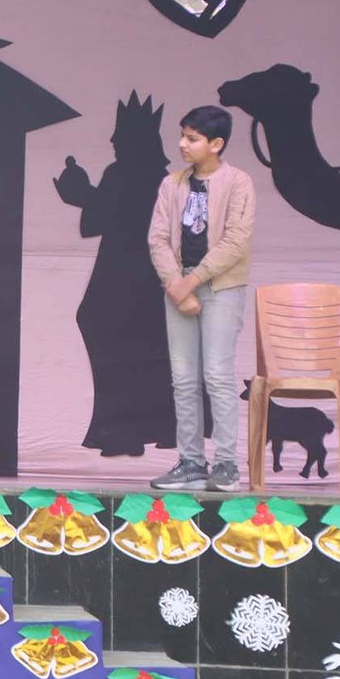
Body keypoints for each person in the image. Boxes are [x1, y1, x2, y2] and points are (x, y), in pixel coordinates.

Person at [147, 105, 255, 492]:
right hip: (178, 288)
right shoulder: (171, 184)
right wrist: (176, 284)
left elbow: (236, 241)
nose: (182, 144)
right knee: (183, 379)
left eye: (192, 138)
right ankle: (191, 461)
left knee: (218, 376)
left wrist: (190, 282)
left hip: (221, 288)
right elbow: (158, 238)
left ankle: (226, 464)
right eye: (182, 135)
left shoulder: (239, 182)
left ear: (216, 144)